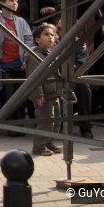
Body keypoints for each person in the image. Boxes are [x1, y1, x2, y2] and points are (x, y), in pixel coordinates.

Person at [0, 0, 34, 137]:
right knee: (9, 96)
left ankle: (20, 124)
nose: (15, 3)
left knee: (21, 97)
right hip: (5, 66)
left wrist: (27, 59)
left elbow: (29, 41)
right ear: (2, 4)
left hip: (20, 64)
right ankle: (11, 125)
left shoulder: (21, 22)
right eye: (11, 0)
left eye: (16, 1)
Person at [25, 23, 63, 157]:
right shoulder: (36, 55)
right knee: (45, 121)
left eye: (52, 34)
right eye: (46, 35)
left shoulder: (51, 54)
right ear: (38, 39)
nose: (50, 37)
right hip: (44, 94)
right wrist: (38, 94)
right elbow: (35, 77)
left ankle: (49, 142)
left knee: (56, 119)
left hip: (53, 93)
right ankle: (39, 146)